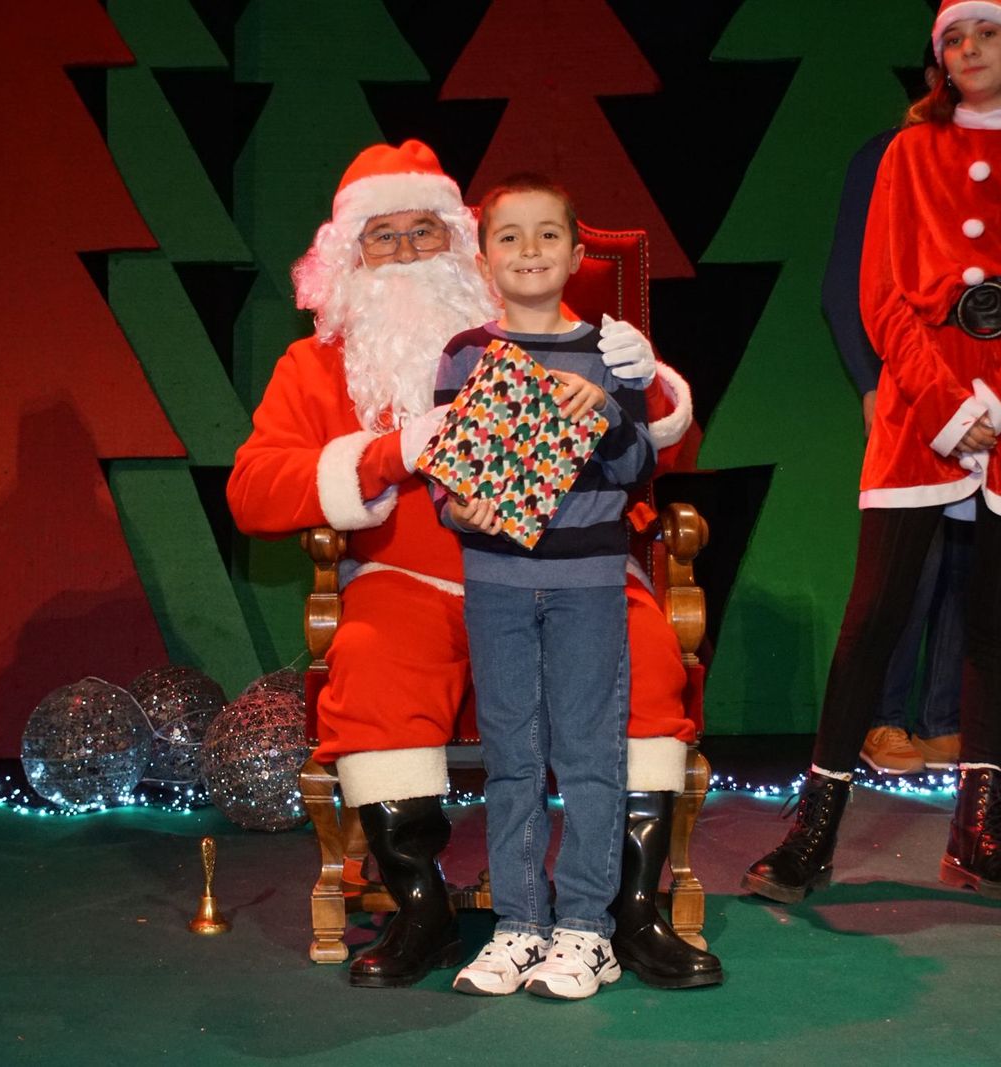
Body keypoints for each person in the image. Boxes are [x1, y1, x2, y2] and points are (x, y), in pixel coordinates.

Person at [228, 141, 720, 989]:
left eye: (427, 232)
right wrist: (389, 454)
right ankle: (421, 909)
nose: (410, 253)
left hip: (573, 571)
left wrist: (651, 389)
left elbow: (667, 453)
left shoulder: (556, 334)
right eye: (384, 237)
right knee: (375, 664)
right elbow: (252, 491)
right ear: (346, 257)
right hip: (407, 581)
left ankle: (630, 913)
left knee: (643, 653)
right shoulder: (315, 365)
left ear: (466, 247)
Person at [744, 0, 1001, 905]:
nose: (967, 48)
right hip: (922, 411)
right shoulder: (908, 154)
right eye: (953, 35)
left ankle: (980, 831)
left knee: (993, 622)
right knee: (874, 614)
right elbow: (882, 294)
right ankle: (813, 830)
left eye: (985, 32)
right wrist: (950, 405)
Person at [439, 177, 656, 1000]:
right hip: (495, 582)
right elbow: (448, 476)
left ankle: (586, 931)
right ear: (486, 254)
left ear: (575, 251)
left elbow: (639, 467)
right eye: (509, 237)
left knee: (590, 755)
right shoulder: (465, 354)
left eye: (547, 236)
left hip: (587, 581)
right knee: (511, 759)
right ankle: (519, 925)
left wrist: (604, 407)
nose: (529, 252)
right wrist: (457, 502)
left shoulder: (613, 352)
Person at [821, 52, 992, 777]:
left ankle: (944, 721)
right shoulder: (889, 157)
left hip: (988, 389)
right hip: (911, 383)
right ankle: (882, 719)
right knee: (909, 557)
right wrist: (869, 382)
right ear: (934, 76)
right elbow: (847, 283)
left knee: (974, 551)